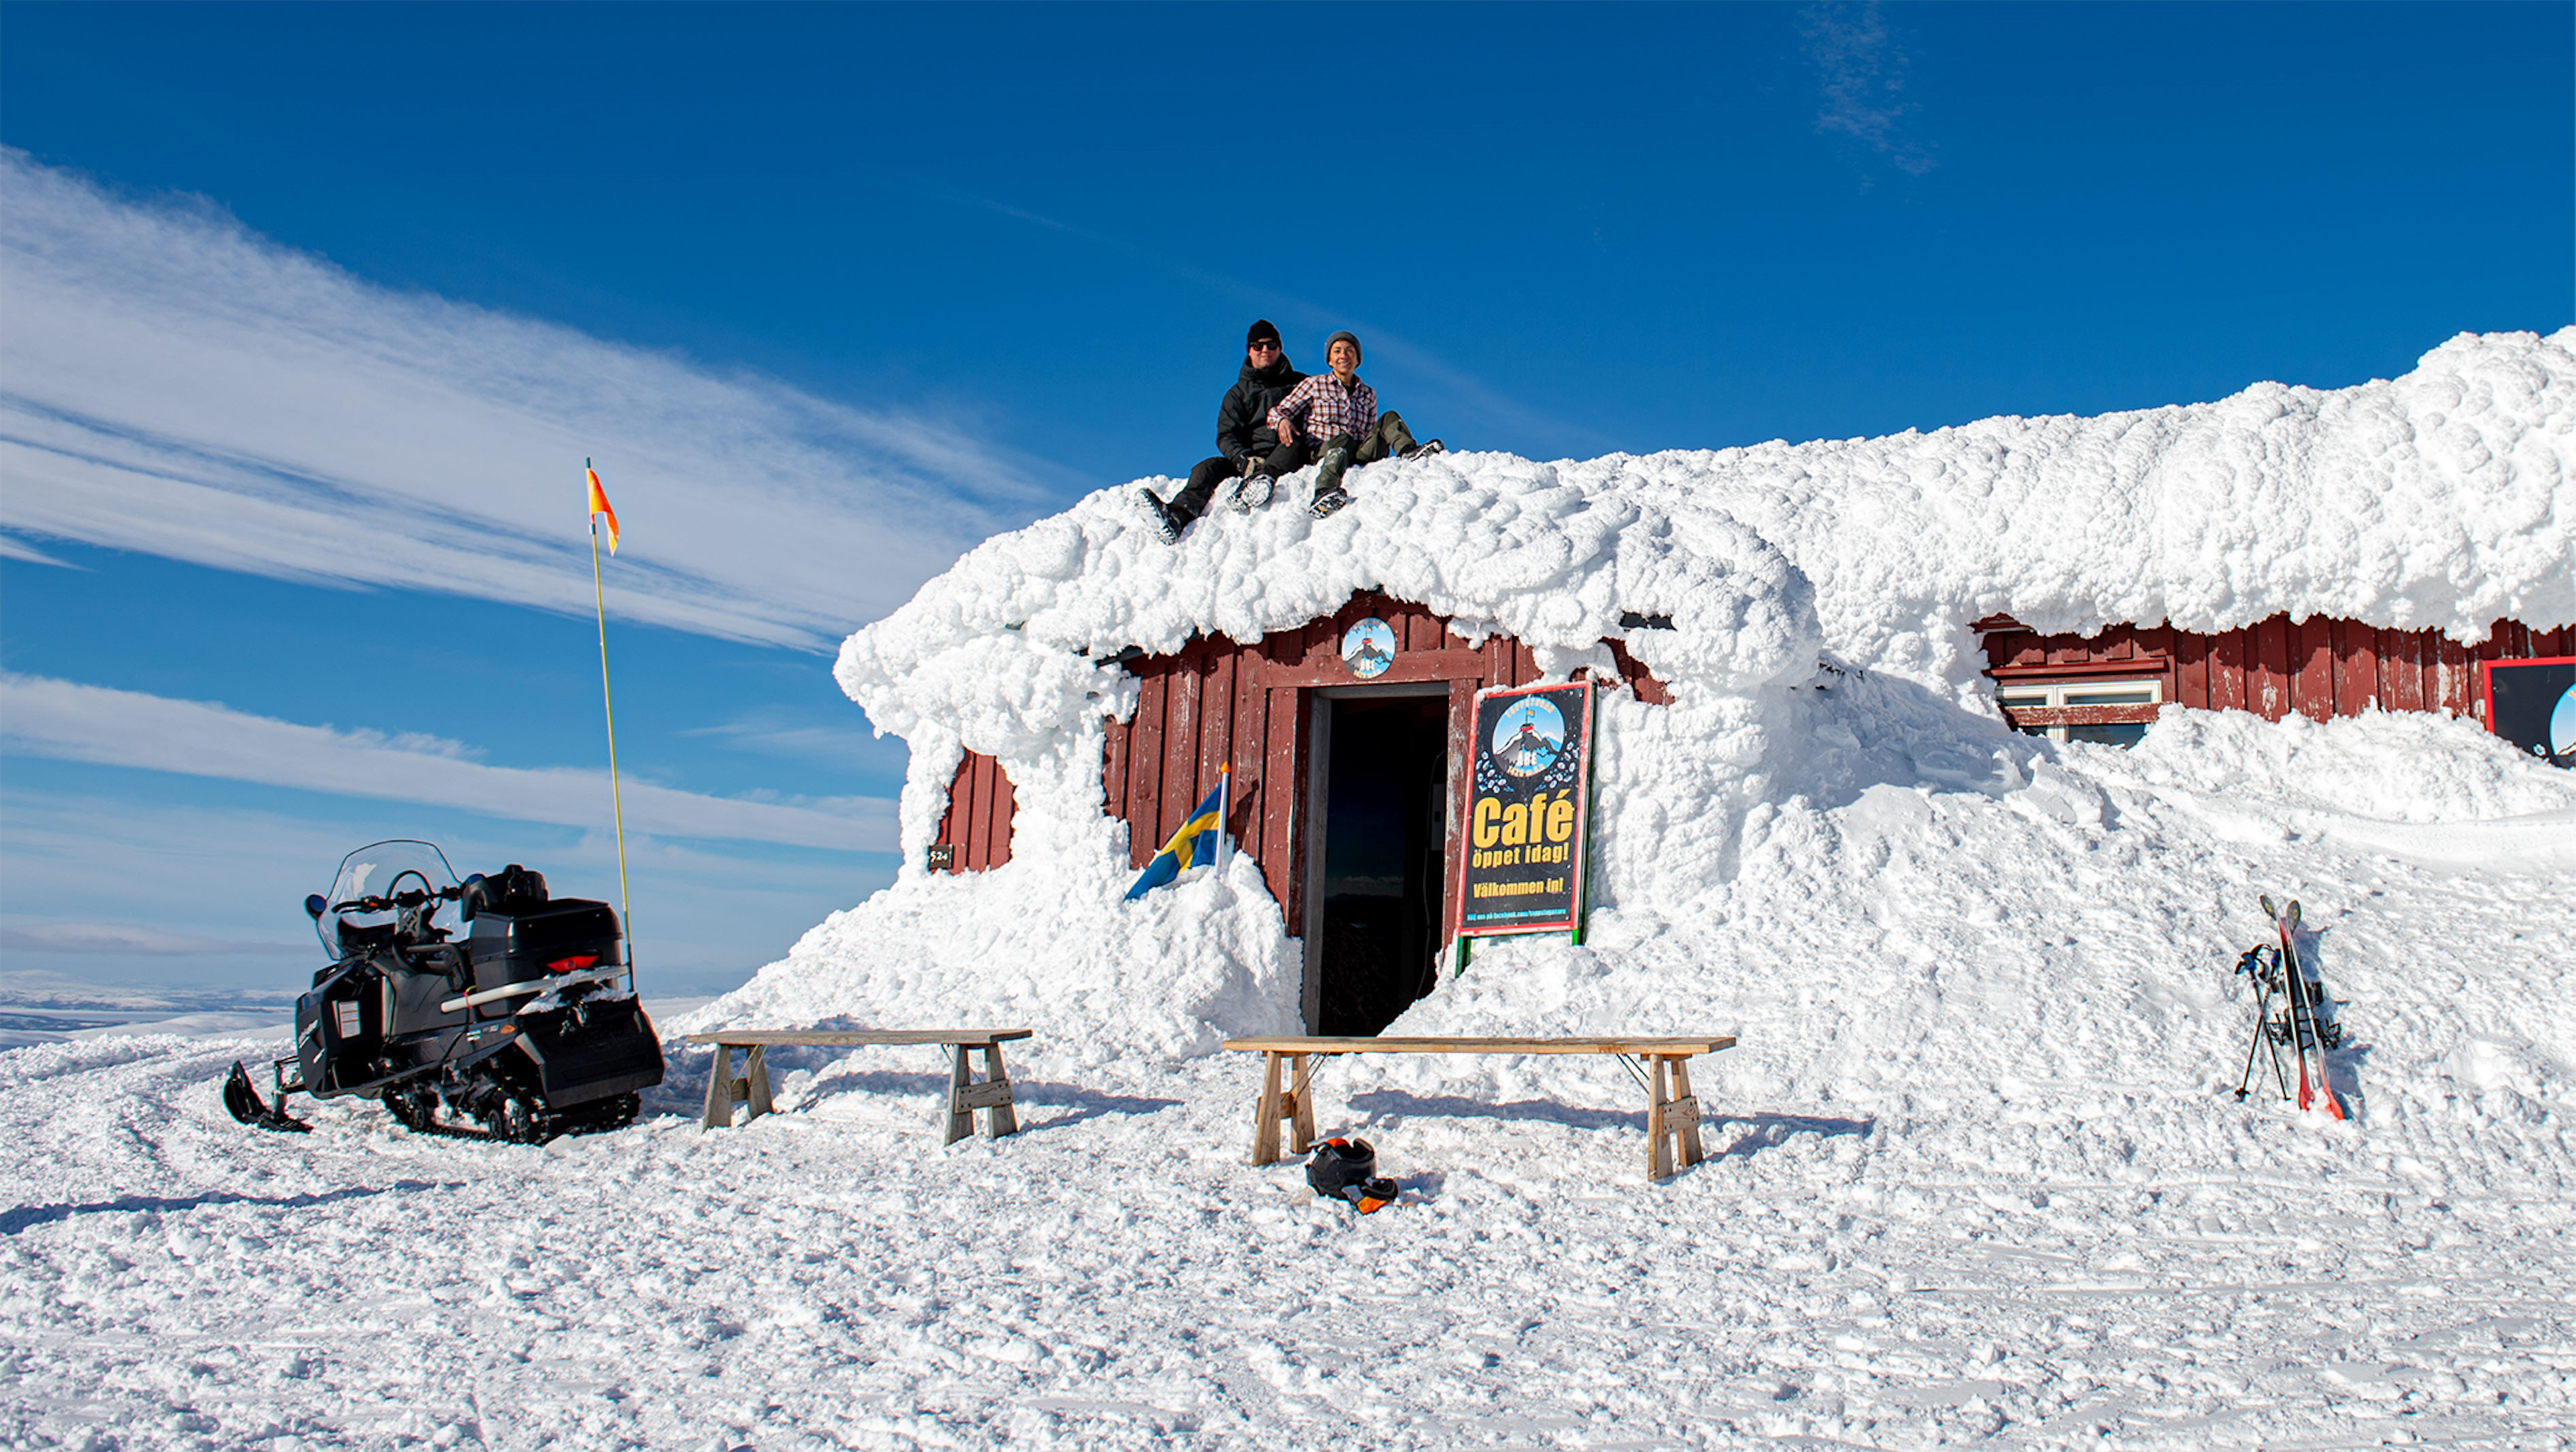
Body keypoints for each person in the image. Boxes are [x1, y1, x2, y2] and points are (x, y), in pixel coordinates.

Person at [1137, 320, 1307, 543]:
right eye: (1258, 346)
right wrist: (1242, 459)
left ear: (1280, 348)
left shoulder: (1301, 384)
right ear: (1250, 351)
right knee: (1207, 468)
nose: (1265, 350)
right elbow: (1227, 434)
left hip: (1285, 453)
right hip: (1248, 461)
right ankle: (1177, 516)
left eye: (1271, 345)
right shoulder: (1237, 394)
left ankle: (1257, 484)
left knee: (1292, 445)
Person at [1260, 329, 1440, 517]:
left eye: (1349, 351)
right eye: (1337, 351)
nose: (1343, 356)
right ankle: (1324, 491)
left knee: (1389, 417)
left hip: (1357, 453)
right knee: (1343, 439)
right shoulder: (1315, 384)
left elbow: (1370, 431)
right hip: (1325, 451)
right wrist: (1282, 422)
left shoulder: (1368, 394)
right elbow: (1277, 412)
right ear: (1329, 360)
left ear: (1357, 360)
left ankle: (1409, 452)